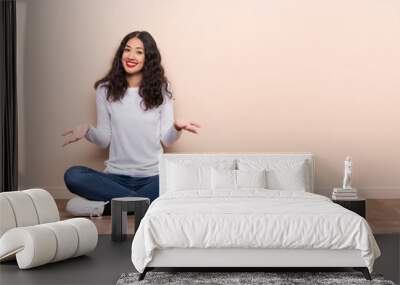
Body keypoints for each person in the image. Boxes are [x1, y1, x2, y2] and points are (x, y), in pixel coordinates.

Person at [62, 31, 200, 215]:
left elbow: (167, 140)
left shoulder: (162, 89)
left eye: (139, 52)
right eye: (127, 50)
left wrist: (176, 128)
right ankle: (141, 204)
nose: (131, 56)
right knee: (73, 175)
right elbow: (104, 139)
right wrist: (88, 130)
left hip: (153, 177)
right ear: (121, 54)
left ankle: (113, 206)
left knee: (184, 178)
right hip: (115, 177)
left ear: (148, 58)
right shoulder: (105, 90)